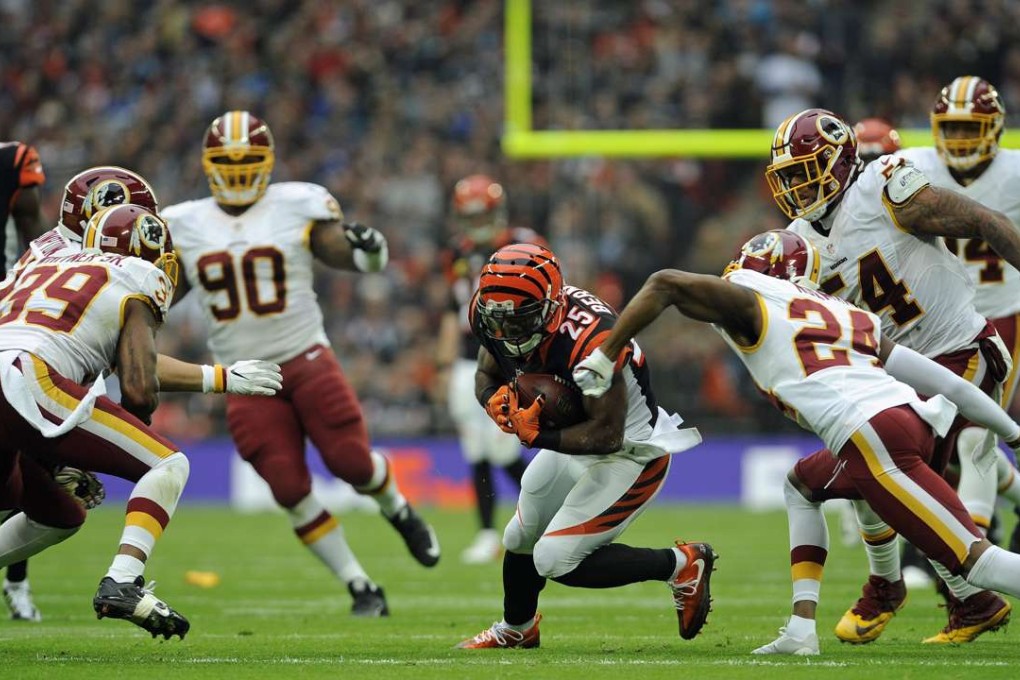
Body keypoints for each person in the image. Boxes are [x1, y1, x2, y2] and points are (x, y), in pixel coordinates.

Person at [573, 229, 1020, 656]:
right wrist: (1013, 433)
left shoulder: (752, 296)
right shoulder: (848, 313)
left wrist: (603, 354)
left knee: (978, 562)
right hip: (906, 422)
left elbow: (664, 283)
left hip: (873, 436)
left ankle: (915, 590)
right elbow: (951, 386)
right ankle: (803, 628)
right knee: (803, 485)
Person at [162, 110, 440, 618]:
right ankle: (360, 586)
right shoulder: (183, 222)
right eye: (228, 161)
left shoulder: (296, 203)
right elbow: (161, 296)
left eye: (248, 161)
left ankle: (399, 510)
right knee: (289, 488)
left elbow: (342, 252)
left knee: (352, 464)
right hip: (243, 375)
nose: (239, 170)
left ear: (268, 163)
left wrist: (371, 256)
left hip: (305, 355)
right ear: (208, 164)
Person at [770, 107, 1020, 643]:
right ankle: (962, 594)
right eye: (787, 176)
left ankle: (905, 589)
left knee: (887, 474)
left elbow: (978, 219)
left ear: (838, 162)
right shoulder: (797, 241)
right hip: (897, 379)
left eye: (804, 169)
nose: (796, 185)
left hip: (958, 354)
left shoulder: (884, 184)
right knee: (874, 471)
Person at [0, 204, 245, 639]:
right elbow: (138, 386)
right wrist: (124, 446)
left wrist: (57, 458)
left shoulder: (36, 264)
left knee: (56, 513)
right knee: (166, 464)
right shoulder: (136, 274)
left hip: (17, 383)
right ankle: (123, 581)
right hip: (26, 378)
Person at [456, 243, 709, 649]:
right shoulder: (496, 315)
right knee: (519, 537)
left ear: (551, 308)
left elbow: (607, 433)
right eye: (500, 322)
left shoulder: (592, 340)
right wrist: (493, 402)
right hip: (574, 441)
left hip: (630, 453)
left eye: (520, 322)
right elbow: (486, 370)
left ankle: (681, 564)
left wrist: (536, 435)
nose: (509, 333)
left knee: (554, 558)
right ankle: (517, 629)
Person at [899, 76, 1020, 554]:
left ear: (994, 129)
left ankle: (974, 553)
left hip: (1002, 316)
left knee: (975, 439)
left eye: (971, 128)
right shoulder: (913, 168)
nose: (960, 139)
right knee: (935, 441)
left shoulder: (1014, 172)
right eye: (951, 129)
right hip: (934, 326)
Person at [435, 174, 543, 564]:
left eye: (483, 216)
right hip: (468, 358)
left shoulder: (523, 242)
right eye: (470, 216)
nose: (477, 224)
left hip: (510, 355)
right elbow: (452, 309)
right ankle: (485, 532)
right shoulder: (456, 253)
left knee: (502, 449)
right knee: (476, 449)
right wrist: (443, 364)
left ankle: (544, 515)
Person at [0, 140, 47, 622]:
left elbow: (35, 238)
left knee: (21, 441)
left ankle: (17, 580)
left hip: (7, 311)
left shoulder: (10, 161)